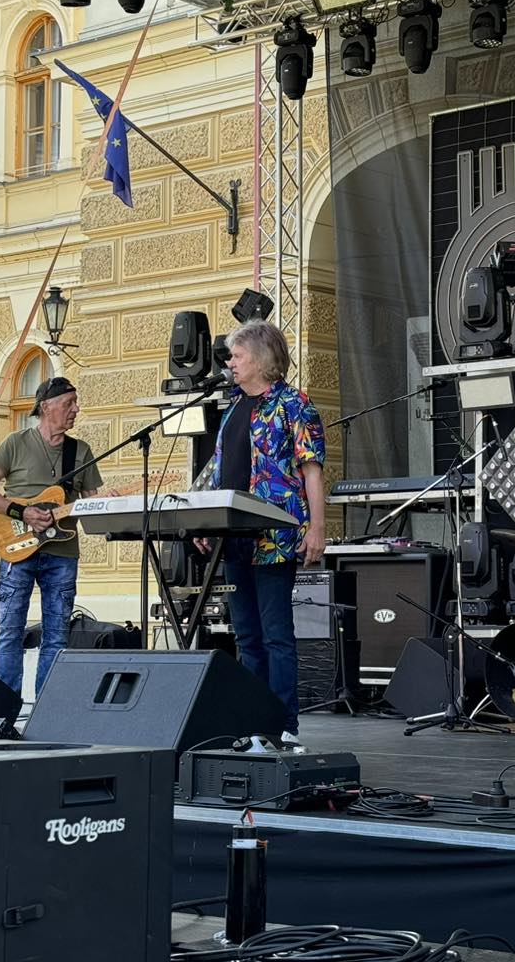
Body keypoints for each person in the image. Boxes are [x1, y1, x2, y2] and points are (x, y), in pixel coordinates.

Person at [196, 319, 326, 749]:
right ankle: (253, 722)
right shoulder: (234, 407)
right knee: (247, 637)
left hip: (275, 537)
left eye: (237, 355)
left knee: (276, 635)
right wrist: (204, 521)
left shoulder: (294, 404)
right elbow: (220, 471)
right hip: (234, 539)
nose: (230, 362)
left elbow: (311, 470)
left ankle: (283, 724)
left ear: (260, 358)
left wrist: (317, 528)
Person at [0, 376, 104, 695]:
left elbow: (92, 503)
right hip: (16, 548)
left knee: (57, 637)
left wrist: (108, 502)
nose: (76, 409)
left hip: (63, 553)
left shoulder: (81, 451)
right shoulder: (16, 443)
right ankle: (4, 708)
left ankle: (45, 709)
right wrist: (22, 512)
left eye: (75, 403)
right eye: (68, 403)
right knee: (9, 634)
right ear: (46, 407)